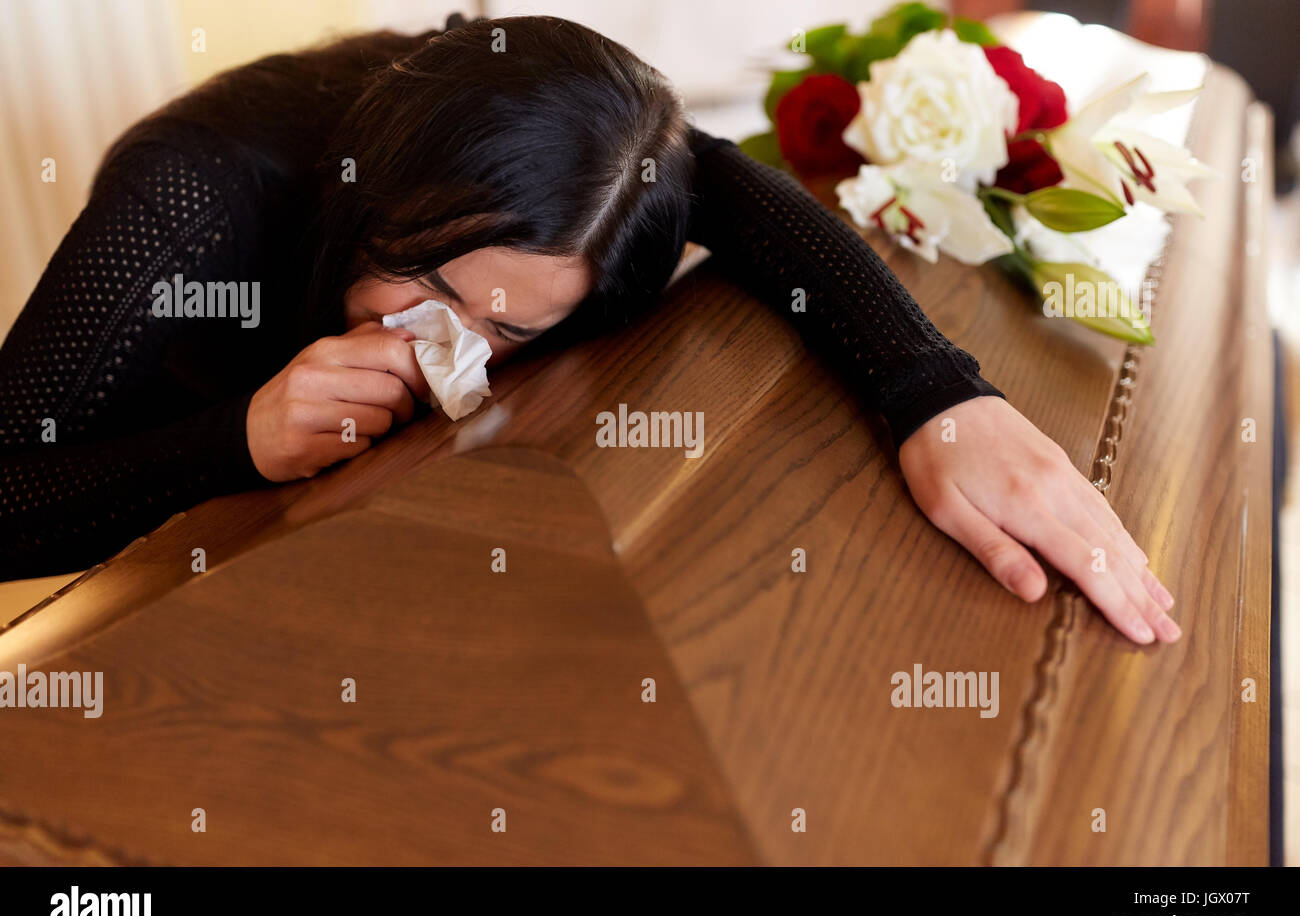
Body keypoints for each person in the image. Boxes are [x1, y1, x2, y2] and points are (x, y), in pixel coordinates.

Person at [0, 14, 1178, 645]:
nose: (435, 347)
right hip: (148, 503)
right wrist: (234, 439)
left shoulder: (600, 182)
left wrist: (941, 398)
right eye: (419, 281)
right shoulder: (193, 200)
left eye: (502, 330)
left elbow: (729, 190)